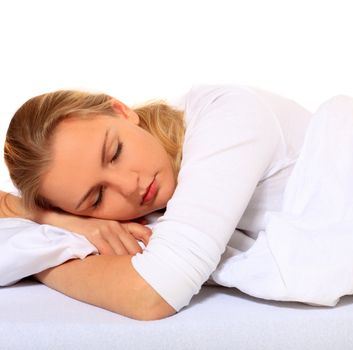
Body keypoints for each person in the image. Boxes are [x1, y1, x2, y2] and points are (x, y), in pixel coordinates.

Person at [0, 85, 313, 320]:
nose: (129, 186)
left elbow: (153, 294)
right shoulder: (145, 210)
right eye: (97, 197)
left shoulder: (228, 118)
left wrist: (39, 263)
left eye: (115, 153)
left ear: (121, 111)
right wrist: (52, 217)